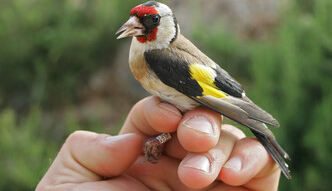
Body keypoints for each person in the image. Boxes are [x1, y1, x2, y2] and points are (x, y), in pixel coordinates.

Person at [36, 96, 281, 190]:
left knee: (191, 128)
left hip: (204, 99)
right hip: (176, 134)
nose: (134, 25)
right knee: (186, 127)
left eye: (149, 21)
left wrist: (161, 137)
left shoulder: (159, 56)